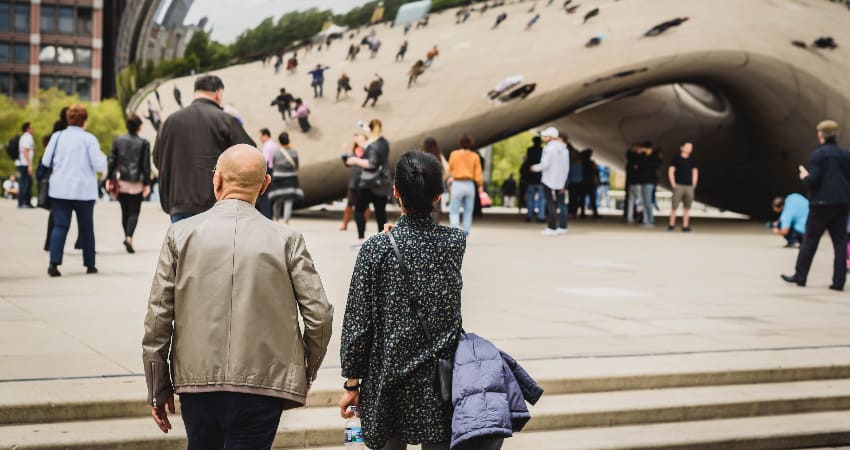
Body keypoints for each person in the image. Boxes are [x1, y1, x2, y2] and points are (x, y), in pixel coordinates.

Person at [143, 144, 333, 450]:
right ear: (266, 184)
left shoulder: (180, 235)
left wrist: (157, 385)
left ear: (216, 181)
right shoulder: (287, 240)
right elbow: (320, 315)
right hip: (262, 386)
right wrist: (305, 369)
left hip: (197, 383)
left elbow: (158, 317)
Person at [339, 151, 465, 450]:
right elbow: (426, 244)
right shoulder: (455, 243)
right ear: (438, 196)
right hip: (440, 382)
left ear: (395, 192)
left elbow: (358, 323)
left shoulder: (376, 249)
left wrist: (352, 385)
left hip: (387, 380)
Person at [153, 75, 255, 223]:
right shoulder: (226, 121)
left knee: (185, 246)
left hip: (178, 204)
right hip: (216, 205)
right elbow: (250, 157)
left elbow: (157, 159)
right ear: (218, 93)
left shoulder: (169, 122)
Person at [782, 120, 850, 290]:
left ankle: (800, 276)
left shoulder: (818, 155)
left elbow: (813, 181)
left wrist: (804, 176)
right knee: (840, 243)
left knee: (810, 240)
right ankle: (838, 282)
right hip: (842, 203)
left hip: (821, 204)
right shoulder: (845, 155)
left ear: (821, 135)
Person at [42, 104, 108, 277]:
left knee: (60, 226)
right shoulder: (89, 139)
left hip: (60, 190)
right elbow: (99, 164)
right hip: (84, 190)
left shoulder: (57, 137)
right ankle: (90, 264)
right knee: (86, 227)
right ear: (84, 120)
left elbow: (46, 160)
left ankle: (54, 264)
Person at [107, 114, 151, 254]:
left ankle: (127, 235)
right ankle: (129, 236)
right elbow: (146, 165)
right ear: (139, 127)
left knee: (124, 211)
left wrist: (109, 178)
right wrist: (147, 183)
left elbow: (112, 161)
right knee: (134, 212)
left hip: (121, 182)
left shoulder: (118, 140)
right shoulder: (144, 143)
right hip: (137, 182)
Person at [345, 119, 391, 243]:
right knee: (381, 213)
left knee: (359, 209)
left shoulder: (372, 145)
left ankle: (361, 238)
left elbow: (372, 164)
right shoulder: (385, 142)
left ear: (371, 129)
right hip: (382, 182)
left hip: (369, 183)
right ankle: (384, 240)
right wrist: (365, 127)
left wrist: (355, 160)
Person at [531, 127, 569, 235]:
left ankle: (552, 227)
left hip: (549, 180)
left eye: (545, 136)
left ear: (551, 137)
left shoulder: (549, 148)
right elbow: (566, 168)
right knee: (561, 204)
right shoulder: (564, 150)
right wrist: (563, 182)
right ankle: (563, 226)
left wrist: (534, 168)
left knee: (550, 203)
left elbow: (545, 164)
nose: (543, 138)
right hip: (560, 181)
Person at [448, 134, 483, 235]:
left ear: (460, 142)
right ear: (470, 143)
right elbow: (478, 173)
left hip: (457, 183)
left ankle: (455, 228)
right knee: (468, 210)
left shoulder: (454, 154)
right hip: (469, 184)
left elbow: (450, 169)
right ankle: (466, 230)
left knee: (454, 209)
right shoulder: (475, 156)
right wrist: (480, 185)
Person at [267, 132, 303, 224]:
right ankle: (286, 220)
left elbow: (274, 164)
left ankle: (276, 218)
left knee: (277, 197)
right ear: (288, 140)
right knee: (289, 199)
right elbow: (296, 165)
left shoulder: (276, 153)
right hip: (290, 177)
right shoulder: (294, 152)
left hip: (278, 177)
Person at [340, 132, 370, 231]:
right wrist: (344, 152)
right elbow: (347, 163)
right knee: (350, 203)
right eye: (358, 139)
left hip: (366, 180)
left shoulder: (369, 150)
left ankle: (363, 224)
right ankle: (344, 224)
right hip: (354, 180)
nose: (359, 141)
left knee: (365, 204)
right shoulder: (355, 151)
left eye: (361, 139)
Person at [668, 141, 699, 232]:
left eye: (691, 147)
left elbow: (695, 172)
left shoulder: (692, 160)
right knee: (674, 206)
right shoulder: (676, 159)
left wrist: (694, 183)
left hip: (689, 186)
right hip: (679, 185)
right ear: (682, 147)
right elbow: (671, 171)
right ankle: (671, 225)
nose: (690, 149)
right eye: (688, 147)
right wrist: (673, 183)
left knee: (687, 207)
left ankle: (685, 226)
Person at [421, 136, 450, 223]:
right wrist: (442, 179)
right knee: (435, 210)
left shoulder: (421, 155)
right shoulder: (439, 156)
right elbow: (448, 169)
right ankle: (433, 232)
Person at [524, 136, 546, 222]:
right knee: (542, 198)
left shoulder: (530, 150)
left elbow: (528, 163)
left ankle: (529, 215)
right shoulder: (543, 151)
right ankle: (541, 216)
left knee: (530, 198)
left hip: (531, 177)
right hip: (540, 177)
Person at [256, 128, 277, 219]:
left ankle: (266, 216)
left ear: (265, 135)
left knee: (263, 195)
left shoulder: (267, 146)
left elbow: (265, 160)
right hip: (272, 170)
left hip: (267, 170)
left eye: (261, 136)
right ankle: (268, 216)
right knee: (266, 195)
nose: (260, 139)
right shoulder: (273, 145)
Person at [15, 122, 35, 208]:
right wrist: (29, 165)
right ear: (27, 129)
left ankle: (27, 202)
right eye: (31, 127)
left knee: (28, 182)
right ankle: (22, 202)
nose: (33, 129)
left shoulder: (25, 137)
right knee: (25, 183)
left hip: (23, 163)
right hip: (24, 164)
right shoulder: (27, 137)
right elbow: (25, 150)